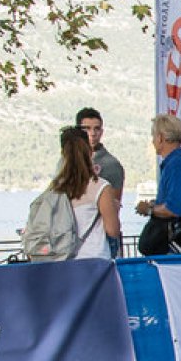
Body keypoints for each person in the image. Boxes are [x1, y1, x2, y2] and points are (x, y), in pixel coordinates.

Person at [47, 125, 121, 259]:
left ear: (63, 153)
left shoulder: (55, 189)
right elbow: (113, 231)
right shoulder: (100, 187)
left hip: (64, 261)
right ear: (89, 152)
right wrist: (113, 208)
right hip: (95, 261)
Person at [134, 114, 181, 255]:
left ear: (160, 138)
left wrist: (149, 209)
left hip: (176, 248)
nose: (152, 141)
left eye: (153, 136)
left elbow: (174, 208)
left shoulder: (176, 165)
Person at [75, 107, 125, 257]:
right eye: (87, 128)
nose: (92, 133)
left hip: (100, 241)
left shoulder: (111, 165)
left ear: (102, 132)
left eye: (96, 129)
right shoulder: (66, 162)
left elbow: (114, 206)